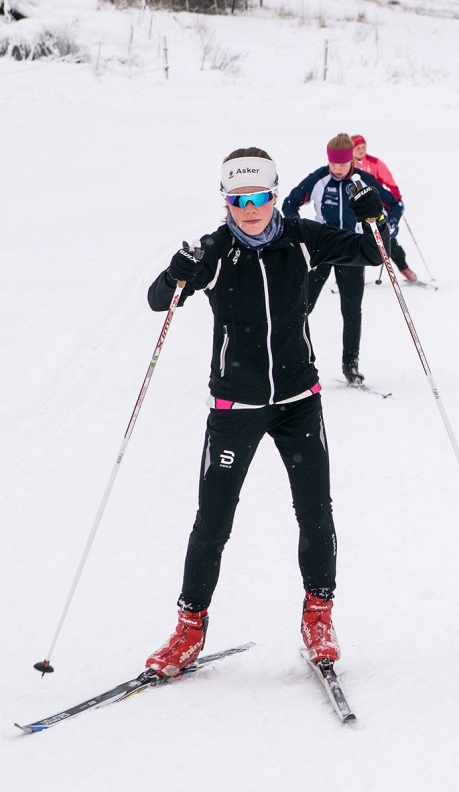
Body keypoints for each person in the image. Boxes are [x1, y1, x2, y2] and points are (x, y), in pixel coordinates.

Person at [142, 147, 388, 677]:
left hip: (299, 401)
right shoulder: (216, 250)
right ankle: (189, 629)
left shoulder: (303, 239)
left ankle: (318, 616)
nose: (248, 208)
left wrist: (373, 207)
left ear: (274, 194)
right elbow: (159, 300)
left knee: (315, 511)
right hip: (237, 405)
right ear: (226, 200)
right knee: (213, 520)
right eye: (237, 199)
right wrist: (173, 272)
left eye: (257, 197)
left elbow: (374, 254)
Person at [284, 134, 400, 386]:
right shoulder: (318, 178)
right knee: (301, 307)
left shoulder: (363, 181)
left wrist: (389, 224)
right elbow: (290, 204)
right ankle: (292, 360)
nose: (336, 169)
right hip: (320, 250)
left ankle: (351, 366)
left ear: (351, 161)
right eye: (332, 164)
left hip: (352, 251)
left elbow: (393, 204)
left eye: (341, 165)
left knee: (351, 310)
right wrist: (300, 230)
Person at [351, 134, 421, 283]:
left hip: (377, 205)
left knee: (389, 240)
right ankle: (351, 278)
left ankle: (404, 268)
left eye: (364, 147)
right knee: (355, 242)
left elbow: (389, 182)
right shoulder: (347, 166)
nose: (362, 150)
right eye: (358, 148)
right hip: (357, 209)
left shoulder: (375, 163)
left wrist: (396, 199)